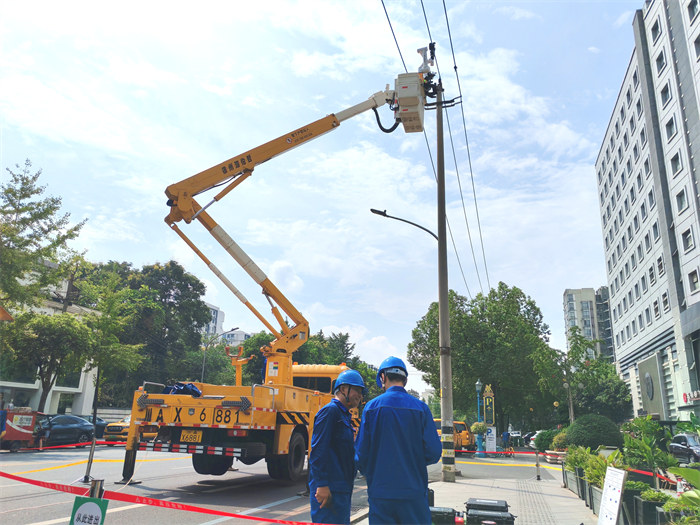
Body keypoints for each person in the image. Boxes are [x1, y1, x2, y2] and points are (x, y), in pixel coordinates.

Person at [355, 356, 442, 525]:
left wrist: (372, 472)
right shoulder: (421, 408)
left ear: (382, 378)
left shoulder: (372, 408)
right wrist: (413, 461)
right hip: (413, 493)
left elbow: (361, 455)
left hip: (381, 493)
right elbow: (434, 452)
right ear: (405, 379)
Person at [308, 369, 366, 524]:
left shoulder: (344, 415)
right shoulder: (330, 412)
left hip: (341, 488)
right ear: (342, 389)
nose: (360, 396)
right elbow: (318, 450)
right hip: (329, 489)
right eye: (357, 390)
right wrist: (322, 484)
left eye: (361, 392)